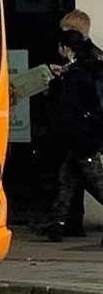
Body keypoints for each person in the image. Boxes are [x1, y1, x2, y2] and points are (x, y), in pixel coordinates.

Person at [36, 27, 103, 243]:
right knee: (67, 180)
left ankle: (56, 223)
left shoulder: (76, 76)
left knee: (96, 182)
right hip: (82, 137)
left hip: (82, 138)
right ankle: (56, 224)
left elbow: (69, 108)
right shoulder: (84, 69)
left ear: (66, 49)